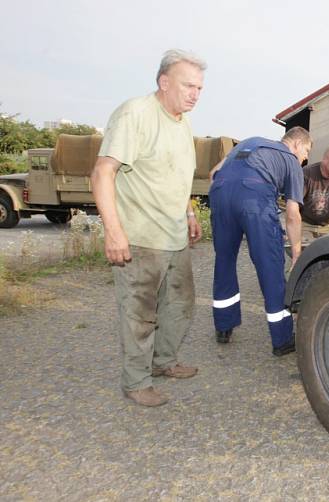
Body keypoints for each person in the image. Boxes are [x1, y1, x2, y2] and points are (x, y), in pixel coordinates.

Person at [91, 49, 205, 407]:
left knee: (181, 303)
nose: (195, 93)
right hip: (140, 236)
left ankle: (164, 362)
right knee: (140, 312)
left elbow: (177, 174)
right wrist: (113, 231)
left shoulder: (183, 122)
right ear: (164, 82)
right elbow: (102, 173)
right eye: (188, 85)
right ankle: (136, 381)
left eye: (200, 88)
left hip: (173, 236)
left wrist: (189, 213)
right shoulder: (134, 114)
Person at [209, 127, 311, 353]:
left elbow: (213, 173)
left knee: (224, 260)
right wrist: (296, 252)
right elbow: (293, 214)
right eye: (306, 152)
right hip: (255, 200)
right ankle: (282, 339)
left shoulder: (249, 141)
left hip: (220, 193)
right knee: (271, 266)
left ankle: (224, 327)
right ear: (296, 144)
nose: (304, 160)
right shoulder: (290, 160)